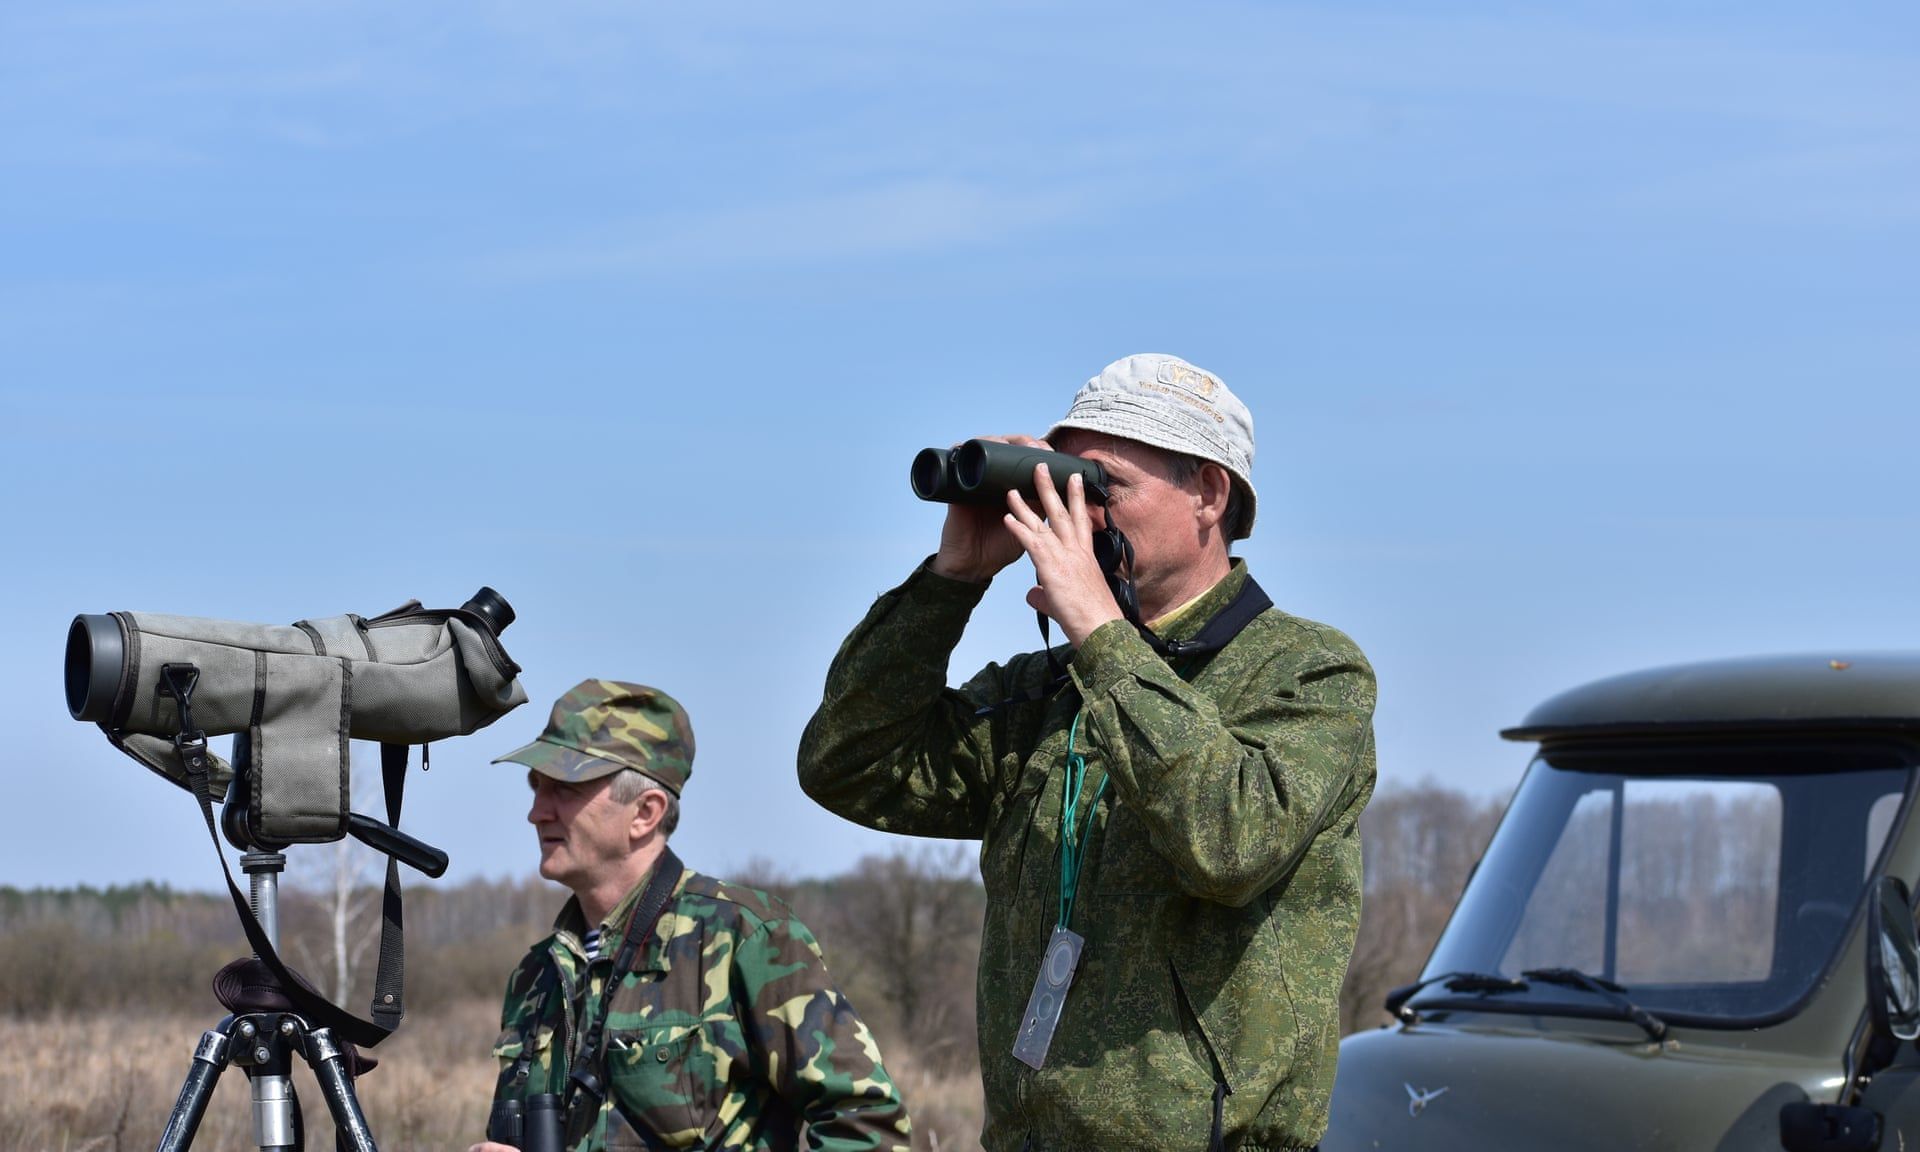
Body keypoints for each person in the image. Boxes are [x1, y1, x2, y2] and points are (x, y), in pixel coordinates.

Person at [797, 354, 1376, 1152]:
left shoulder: (1310, 673)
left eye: (1102, 486)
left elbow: (1231, 842)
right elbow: (848, 765)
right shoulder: (1046, 691)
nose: (1082, 514)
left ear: (1208, 494)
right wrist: (953, 579)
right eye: (1063, 482)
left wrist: (1103, 636)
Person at [470, 679, 913, 1152]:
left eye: (563, 788)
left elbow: (867, 1125)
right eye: (536, 787)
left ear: (645, 812)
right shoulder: (536, 976)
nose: (537, 812)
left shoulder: (745, 936)